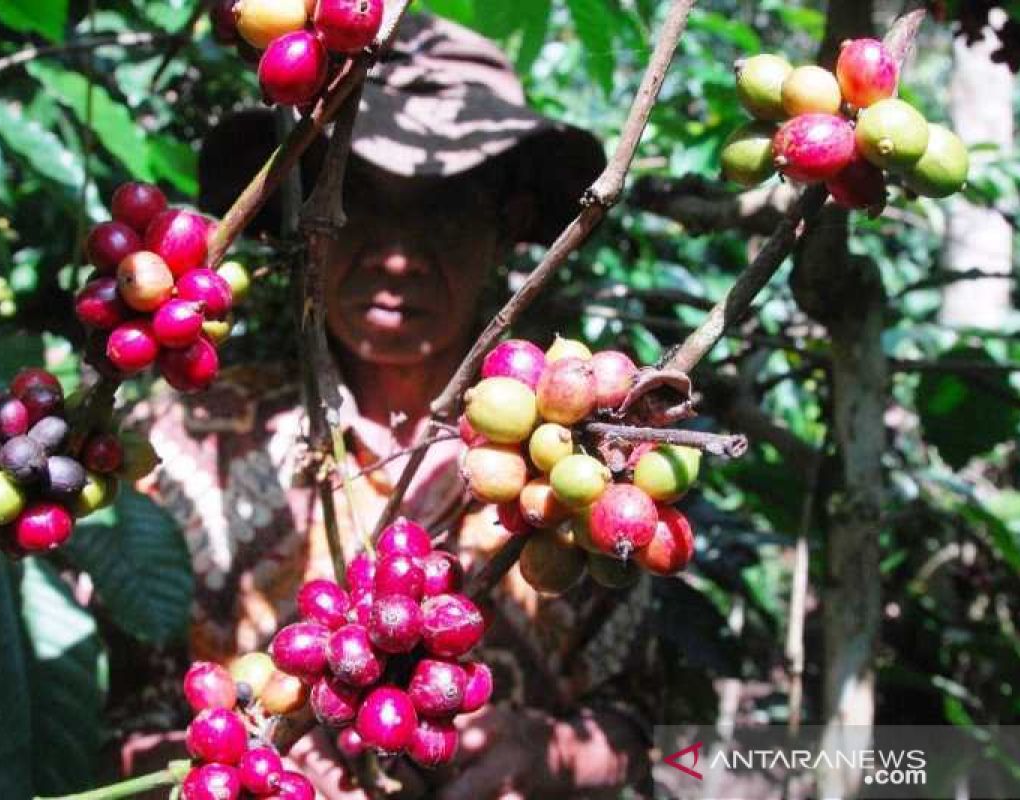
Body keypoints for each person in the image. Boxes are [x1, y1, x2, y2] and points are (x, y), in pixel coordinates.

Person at [129, 13, 663, 799]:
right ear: (309, 214)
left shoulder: (588, 463)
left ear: (506, 224)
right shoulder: (185, 446)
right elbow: (120, 732)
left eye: (442, 208)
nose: (397, 254)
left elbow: (650, 727)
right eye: (364, 203)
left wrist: (557, 755)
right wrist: (235, 766)